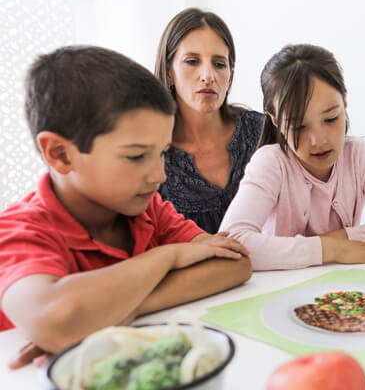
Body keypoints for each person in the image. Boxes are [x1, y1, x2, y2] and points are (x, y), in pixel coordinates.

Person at [1, 46, 252, 369]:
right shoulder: (19, 229)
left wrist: (105, 312)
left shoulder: (149, 209)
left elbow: (235, 263)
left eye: (162, 152)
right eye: (136, 156)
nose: (159, 175)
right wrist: (167, 256)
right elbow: (58, 320)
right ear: (61, 154)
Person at [219, 44, 365, 270]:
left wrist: (344, 238)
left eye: (331, 119)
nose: (318, 140)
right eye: (298, 126)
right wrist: (330, 249)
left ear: (344, 103)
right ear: (275, 121)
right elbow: (232, 242)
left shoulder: (357, 156)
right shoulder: (271, 162)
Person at [154, 8, 264, 234]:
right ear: (168, 72)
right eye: (192, 61)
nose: (208, 75)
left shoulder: (262, 131)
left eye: (219, 64)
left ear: (230, 76)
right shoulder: (150, 152)